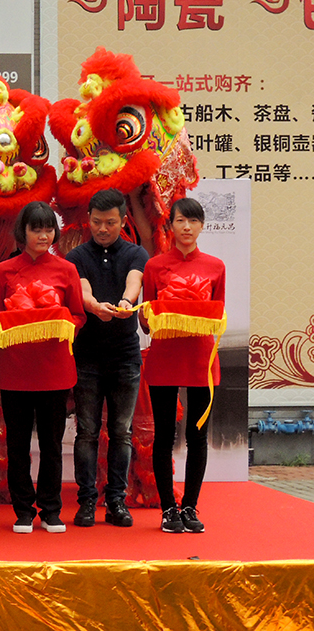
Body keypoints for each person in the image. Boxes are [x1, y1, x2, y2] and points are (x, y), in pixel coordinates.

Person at [0, 201, 85, 534]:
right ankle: (22, 509)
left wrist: (56, 323)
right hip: (14, 369)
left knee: (51, 444)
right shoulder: (3, 270)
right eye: (36, 229)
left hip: (54, 369)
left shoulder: (66, 270)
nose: (43, 236)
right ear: (23, 232)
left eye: (48, 229)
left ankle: (51, 508)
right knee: (17, 444)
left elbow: (78, 315)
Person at [140, 197, 225, 534]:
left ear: (202, 226)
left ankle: (190, 505)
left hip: (202, 359)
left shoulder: (215, 266)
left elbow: (217, 312)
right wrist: (155, 317)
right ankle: (168, 509)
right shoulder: (155, 266)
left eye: (193, 221)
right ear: (170, 226)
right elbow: (146, 320)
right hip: (165, 357)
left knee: (197, 435)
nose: (186, 227)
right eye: (180, 221)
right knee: (164, 435)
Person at [65, 188, 148, 528]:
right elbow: (82, 290)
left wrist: (127, 302)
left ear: (123, 221)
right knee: (86, 431)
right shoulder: (76, 256)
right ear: (88, 220)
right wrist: (94, 306)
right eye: (97, 222)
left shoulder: (135, 253)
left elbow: (134, 282)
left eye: (110, 222)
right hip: (87, 356)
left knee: (121, 432)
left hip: (125, 356)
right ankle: (86, 501)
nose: (103, 228)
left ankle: (116, 500)